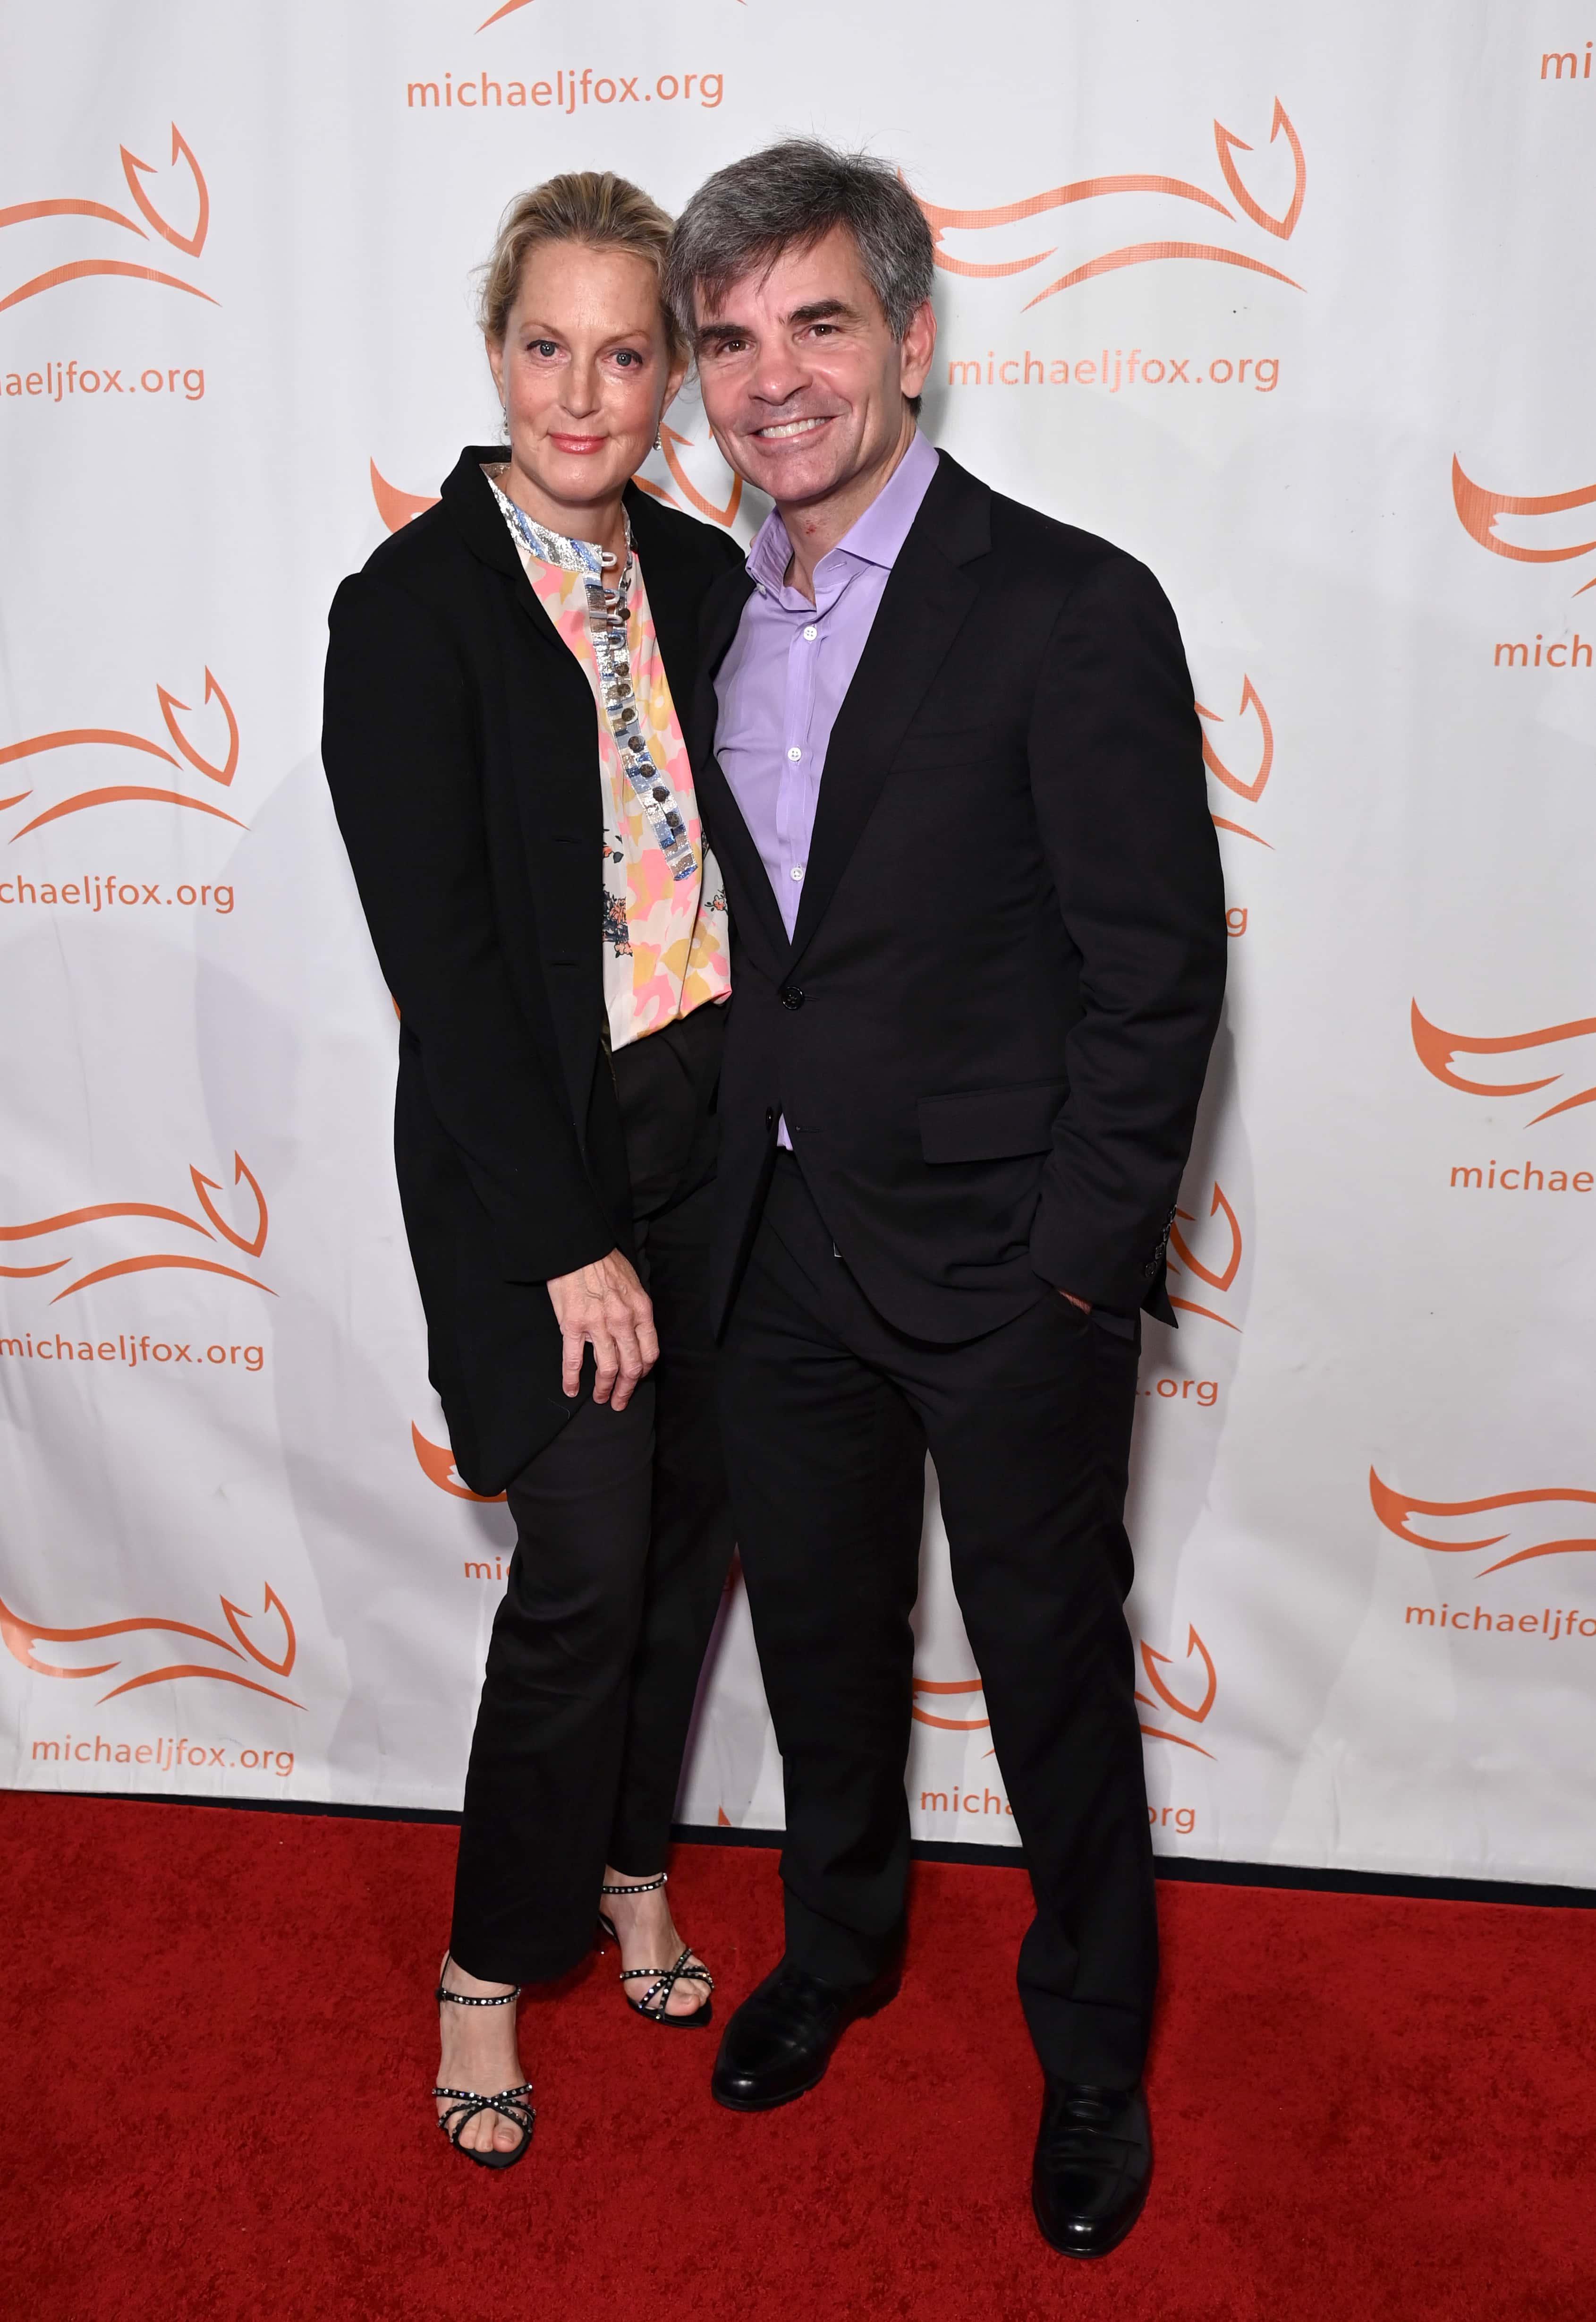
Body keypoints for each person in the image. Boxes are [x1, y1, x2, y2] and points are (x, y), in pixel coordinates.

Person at [666, 142, 1227, 2255]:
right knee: (819, 1638)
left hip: (1005, 1269)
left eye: (816, 321)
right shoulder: (706, 601)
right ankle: (838, 1944)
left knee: (1048, 1668)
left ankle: (1089, 2049)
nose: (769, 377)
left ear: (911, 337)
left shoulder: (1068, 603)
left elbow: (1152, 966)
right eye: (727, 339)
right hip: (776, 1247)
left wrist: (1077, 1270)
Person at [322, 172, 744, 2169]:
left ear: (669, 372)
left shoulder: (709, 570)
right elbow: (450, 969)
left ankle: (633, 1862)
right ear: (499, 350)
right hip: (539, 1169)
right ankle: (489, 1963)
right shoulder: (402, 614)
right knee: (580, 1572)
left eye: (624, 352)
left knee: (686, 1545)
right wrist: (569, 1239)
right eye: (545, 346)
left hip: (723, 1140)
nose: (582, 395)